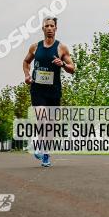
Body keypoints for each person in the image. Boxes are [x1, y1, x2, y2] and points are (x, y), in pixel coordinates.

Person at [22, 16, 75, 168]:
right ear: (43, 29)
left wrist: (63, 64)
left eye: (52, 26)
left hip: (54, 91)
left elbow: (73, 69)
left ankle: (46, 154)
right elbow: (26, 62)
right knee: (42, 118)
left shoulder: (61, 48)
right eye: (47, 26)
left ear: (56, 28)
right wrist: (27, 75)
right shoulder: (35, 47)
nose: (50, 28)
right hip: (37, 89)